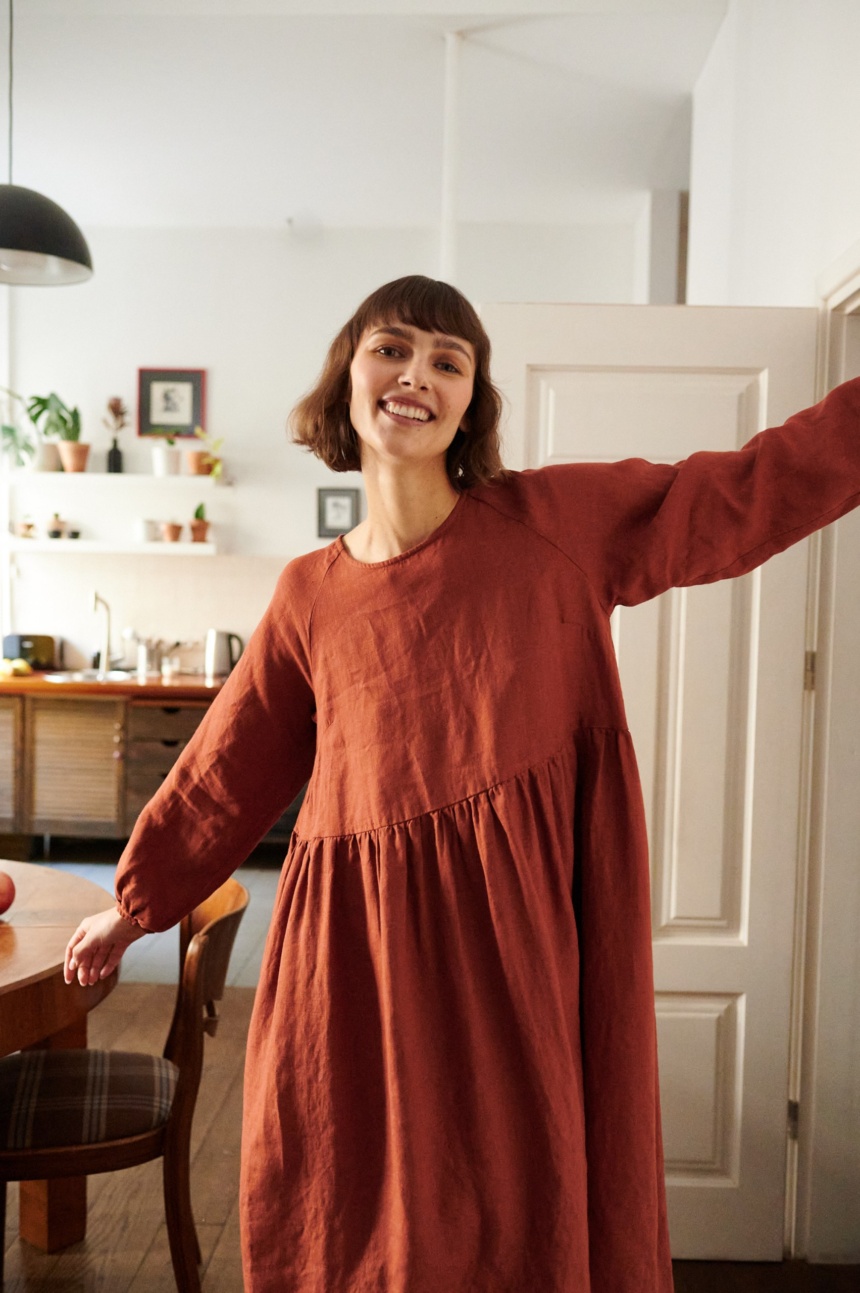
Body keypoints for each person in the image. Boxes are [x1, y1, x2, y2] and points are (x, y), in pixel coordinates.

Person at [64, 275, 860, 1293]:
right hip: (348, 958)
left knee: (505, 1198)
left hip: (510, 944)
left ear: (470, 403)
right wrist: (135, 907)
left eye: (448, 361)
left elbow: (740, 491)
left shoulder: (554, 523)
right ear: (346, 378)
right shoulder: (307, 591)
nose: (416, 375)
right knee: (345, 1198)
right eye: (391, 349)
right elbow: (230, 759)